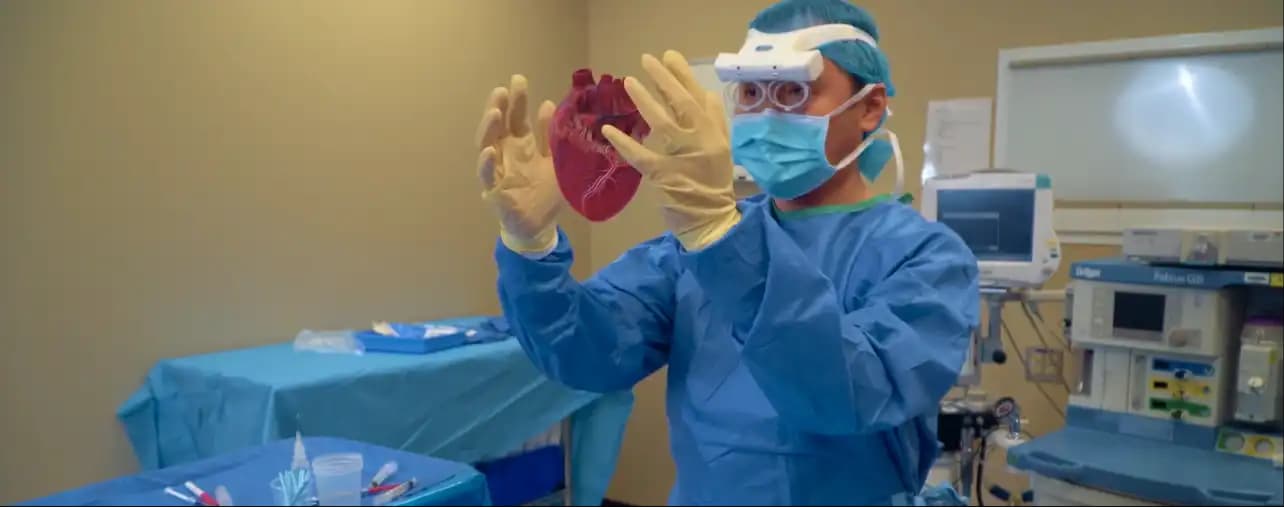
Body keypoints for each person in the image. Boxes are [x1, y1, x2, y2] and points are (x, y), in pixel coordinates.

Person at [473, 0, 979, 504]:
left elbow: (847, 392)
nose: (766, 113)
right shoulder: (687, 253)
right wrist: (531, 245)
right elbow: (586, 355)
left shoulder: (927, 259)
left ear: (869, 108)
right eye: (752, 92)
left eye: (791, 91)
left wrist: (721, 239)